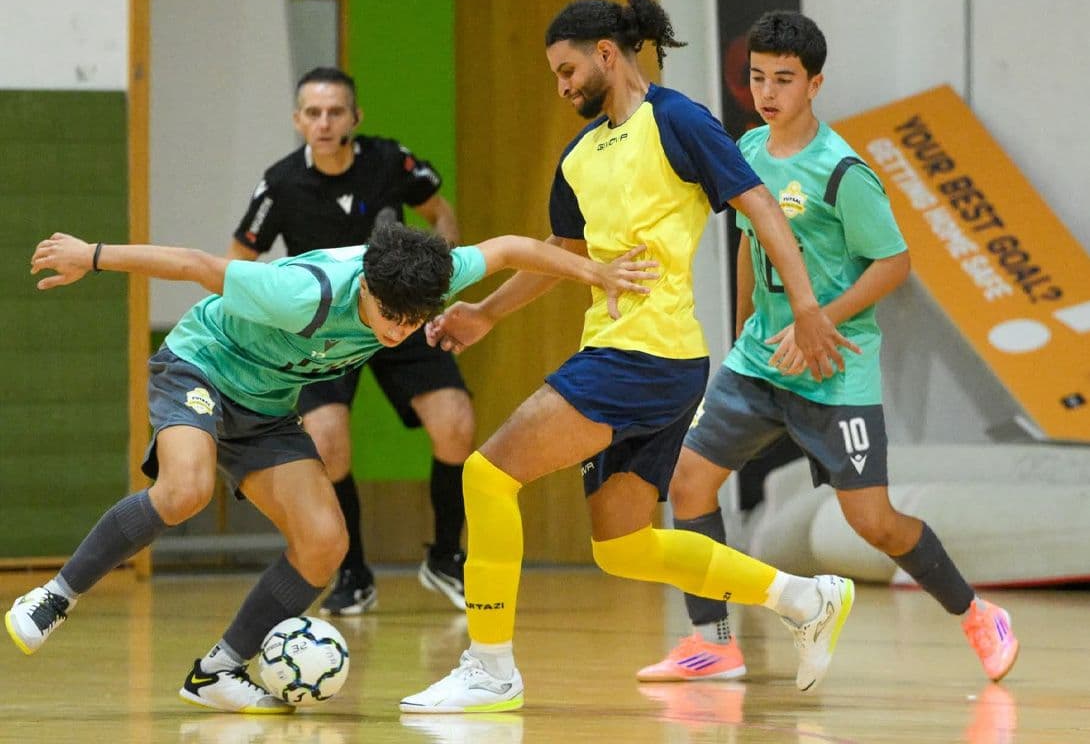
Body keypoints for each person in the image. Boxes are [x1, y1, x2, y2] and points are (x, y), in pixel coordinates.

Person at [399, 0, 862, 715]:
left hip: (644, 355)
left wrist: (805, 307)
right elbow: (561, 253)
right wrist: (486, 313)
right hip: (638, 359)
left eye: (566, 69)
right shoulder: (580, 157)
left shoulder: (676, 120)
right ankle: (804, 598)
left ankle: (490, 668)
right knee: (622, 546)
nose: (561, 87)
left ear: (607, 54)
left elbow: (760, 207)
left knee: (487, 475)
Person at [8, 222, 656, 714]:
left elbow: (513, 247)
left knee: (325, 544)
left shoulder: (428, 274)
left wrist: (596, 274)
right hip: (202, 367)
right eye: (389, 317)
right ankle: (53, 597)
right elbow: (193, 264)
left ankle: (218, 670)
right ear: (367, 287)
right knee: (185, 490)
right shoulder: (302, 293)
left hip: (266, 409)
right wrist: (89, 256)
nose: (399, 331)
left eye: (414, 319)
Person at [636, 10, 1019, 685]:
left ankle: (977, 615)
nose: (768, 92)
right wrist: (743, 333)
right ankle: (714, 642)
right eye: (758, 78)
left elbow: (893, 263)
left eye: (784, 79)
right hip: (759, 362)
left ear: (815, 83)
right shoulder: (748, 150)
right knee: (689, 483)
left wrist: (823, 319)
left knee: (873, 523)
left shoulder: (845, 172)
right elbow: (751, 245)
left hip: (834, 370)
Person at [230, 66, 472, 615]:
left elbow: (439, 212)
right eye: (312, 113)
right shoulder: (280, 184)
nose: (323, 121)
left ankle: (445, 557)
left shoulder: (391, 162)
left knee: (456, 424)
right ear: (298, 120)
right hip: (324, 331)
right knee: (328, 442)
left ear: (354, 118)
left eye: (335, 111)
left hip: (398, 312)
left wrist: (436, 282)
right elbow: (237, 263)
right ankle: (355, 572)